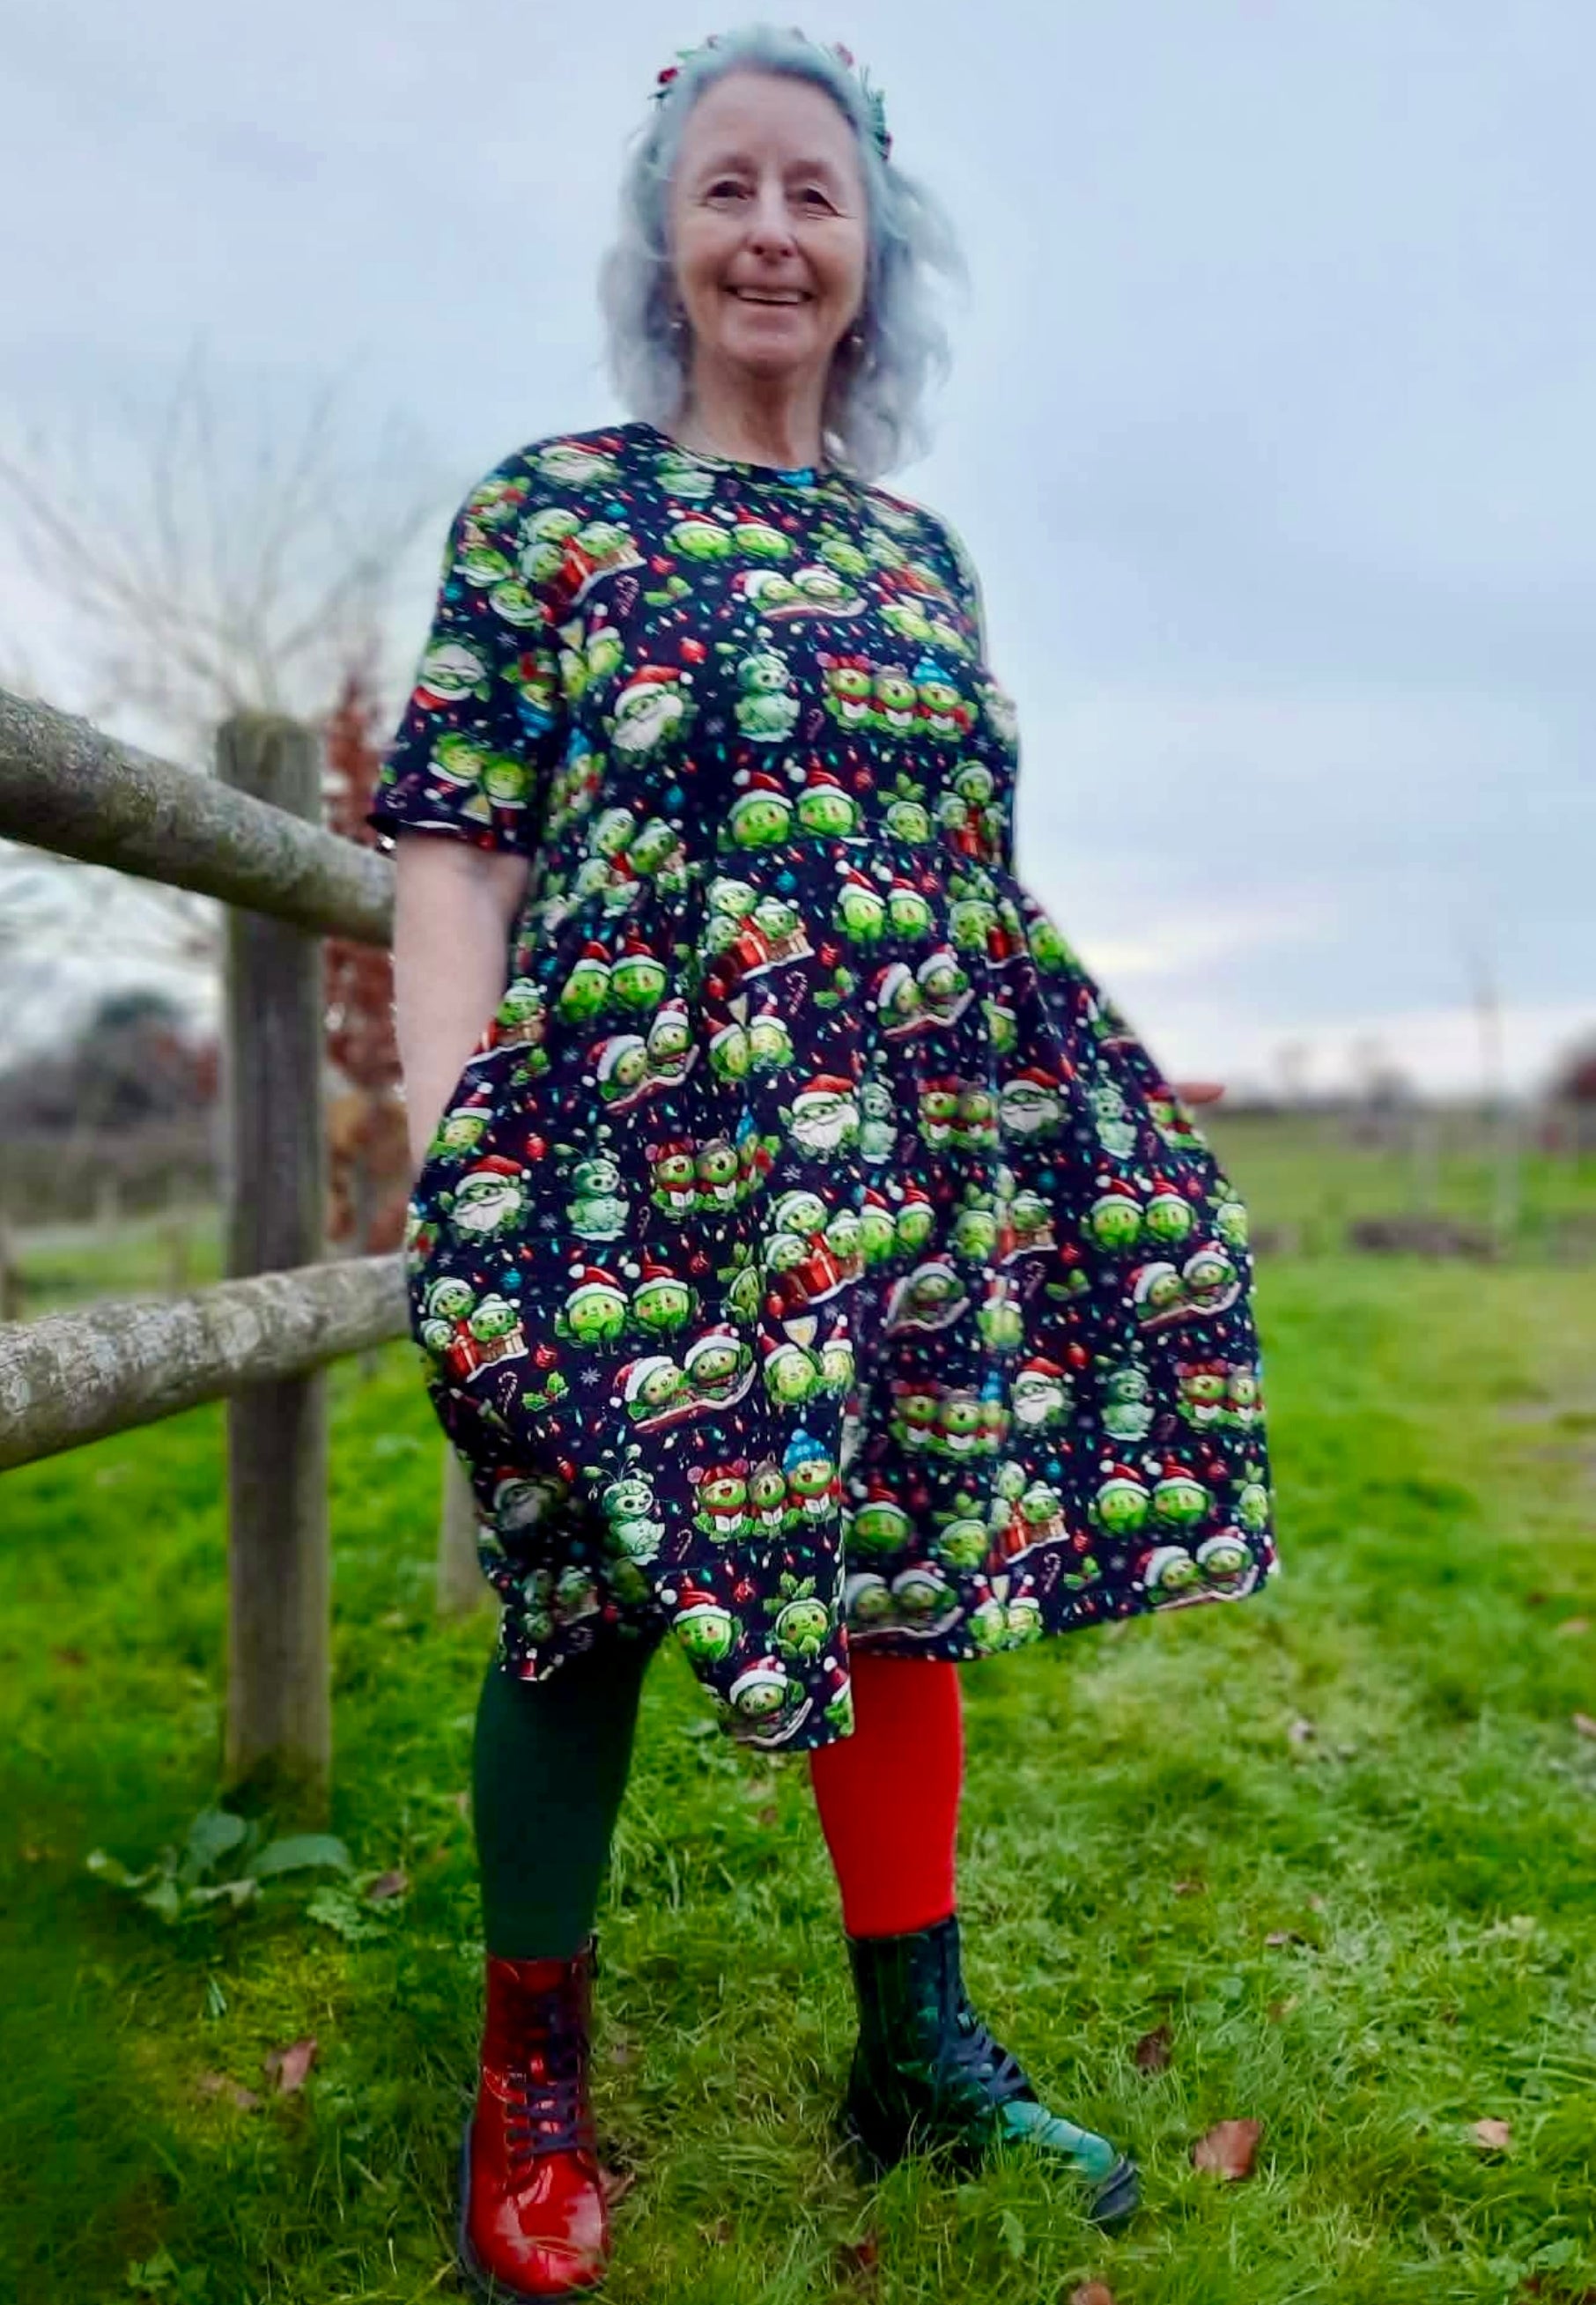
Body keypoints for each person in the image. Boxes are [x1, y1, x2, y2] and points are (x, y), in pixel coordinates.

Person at [372, 26, 1277, 2298]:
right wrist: (450, 1131)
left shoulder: (919, 558)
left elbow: (958, 882)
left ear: (873, 259)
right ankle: (532, 2070)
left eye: (815, 197)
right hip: (623, 1158)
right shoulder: (555, 513)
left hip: (885, 1161)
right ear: (664, 245)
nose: (771, 232)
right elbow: (457, 851)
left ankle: (918, 2052)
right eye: (726, 191)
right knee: (580, 1588)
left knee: (896, 1572)